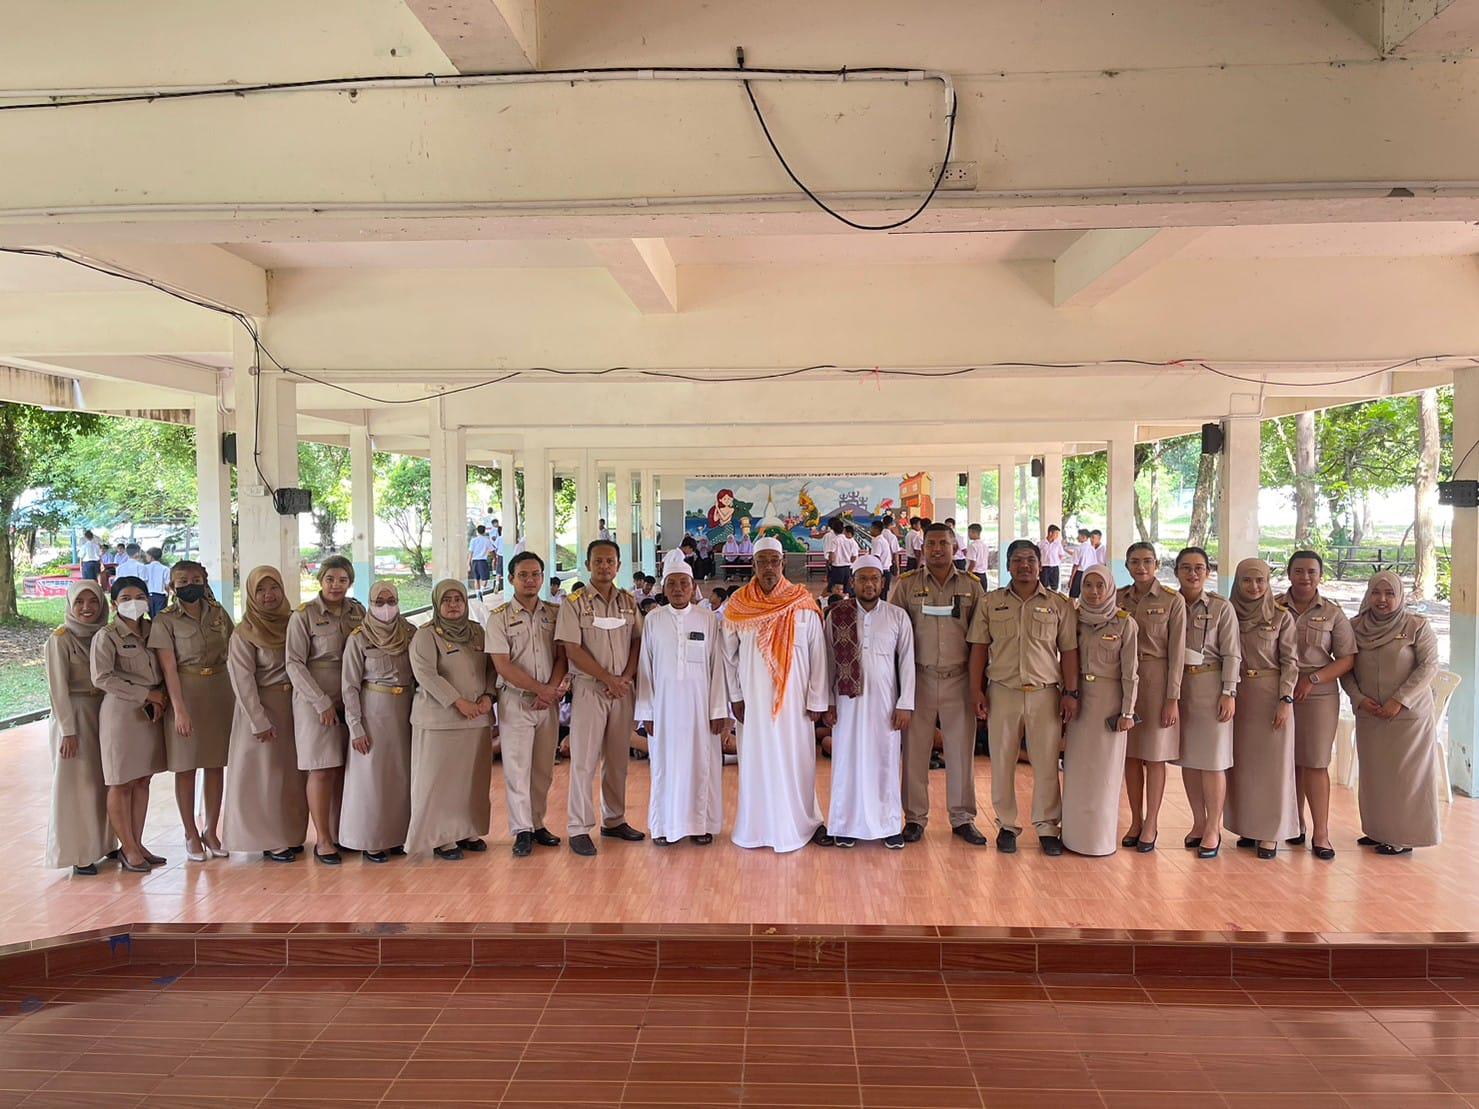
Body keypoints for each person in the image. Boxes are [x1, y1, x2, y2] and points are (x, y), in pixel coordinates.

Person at [968, 539, 1080, 855]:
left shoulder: (1059, 604)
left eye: (1030, 560)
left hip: (1045, 694)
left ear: (1040, 565)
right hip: (1003, 692)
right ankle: (1006, 825)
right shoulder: (991, 602)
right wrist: (975, 690)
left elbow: (1069, 651)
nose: (1024, 566)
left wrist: (1071, 692)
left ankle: (1047, 827)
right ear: (1008, 566)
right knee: (1002, 762)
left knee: (1046, 763)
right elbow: (979, 649)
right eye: (1017, 560)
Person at [722, 536, 831, 852]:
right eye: (762, 562)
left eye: (774, 561)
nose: (768, 568)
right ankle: (757, 828)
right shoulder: (738, 605)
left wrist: (817, 699)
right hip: (754, 703)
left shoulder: (802, 602)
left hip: (795, 705)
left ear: (783, 563)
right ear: (753, 565)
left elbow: (818, 655)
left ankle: (804, 823)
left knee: (797, 762)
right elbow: (728, 656)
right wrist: (735, 697)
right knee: (757, 763)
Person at [889, 523, 989, 845]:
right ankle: (915, 818)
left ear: (955, 547)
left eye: (943, 544)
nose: (936, 549)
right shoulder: (906, 585)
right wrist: (899, 688)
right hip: (918, 678)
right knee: (915, 752)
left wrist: (978, 686)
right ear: (922, 548)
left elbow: (981, 639)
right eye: (931, 544)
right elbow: (894, 636)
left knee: (960, 751)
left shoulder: (972, 586)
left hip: (959, 679)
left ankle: (962, 818)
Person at [1342, 571, 1442, 855]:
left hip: (1407, 718)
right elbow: (1345, 667)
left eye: (1389, 593)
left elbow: (1428, 667)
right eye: (1376, 592)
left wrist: (1400, 700)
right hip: (1370, 713)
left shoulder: (1416, 626)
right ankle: (1378, 830)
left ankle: (1402, 837)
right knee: (1375, 776)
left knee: (1405, 778)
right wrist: (1358, 698)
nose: (1382, 599)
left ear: (1400, 596)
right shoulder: (1355, 627)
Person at [555, 539, 645, 856]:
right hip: (590, 689)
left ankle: (614, 819)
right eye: (598, 561)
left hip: (622, 690)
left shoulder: (628, 602)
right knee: (584, 760)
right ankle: (579, 827)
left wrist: (626, 678)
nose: (604, 566)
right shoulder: (574, 603)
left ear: (618, 566)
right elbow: (571, 648)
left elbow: (637, 642)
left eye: (610, 561)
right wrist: (608, 678)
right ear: (588, 565)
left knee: (618, 759)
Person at [635, 549, 729, 845]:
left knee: (702, 766)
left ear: (693, 587)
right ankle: (665, 827)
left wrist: (718, 710)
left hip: (700, 709)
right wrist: (646, 712)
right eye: (672, 584)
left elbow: (717, 666)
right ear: (664, 588)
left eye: (684, 583)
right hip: (663, 709)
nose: (678, 589)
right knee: (665, 767)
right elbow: (645, 667)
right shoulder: (653, 620)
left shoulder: (708, 619)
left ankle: (701, 826)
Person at [824, 554, 915, 849]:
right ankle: (845, 825)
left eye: (874, 578)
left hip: (885, 704)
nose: (869, 584)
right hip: (846, 703)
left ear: (883, 582)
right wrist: (828, 701)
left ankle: (889, 825)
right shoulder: (837, 615)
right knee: (846, 761)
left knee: (885, 762)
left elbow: (907, 663)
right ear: (852, 582)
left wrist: (905, 703)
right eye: (862, 578)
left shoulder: (897, 616)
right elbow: (827, 661)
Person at [222, 566, 309, 862]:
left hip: (294, 707)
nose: (268, 595)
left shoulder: (294, 622)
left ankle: (291, 834)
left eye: (274, 588)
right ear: (250, 594)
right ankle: (268, 839)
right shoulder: (244, 632)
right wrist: (258, 720)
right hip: (261, 709)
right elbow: (242, 680)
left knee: (291, 775)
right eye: (260, 590)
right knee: (263, 777)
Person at [149, 561, 234, 862]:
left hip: (219, 691)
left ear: (205, 580)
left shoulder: (218, 613)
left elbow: (234, 648)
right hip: (185, 692)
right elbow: (169, 669)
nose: (190, 585)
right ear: (171, 586)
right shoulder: (165, 620)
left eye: (196, 579)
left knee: (215, 764)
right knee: (186, 766)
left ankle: (211, 830)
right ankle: (190, 833)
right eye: (182, 580)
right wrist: (179, 710)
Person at [406, 580, 495, 861]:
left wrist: (489, 696)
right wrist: (458, 702)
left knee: (471, 779)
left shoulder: (477, 632)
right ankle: (442, 838)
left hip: (476, 719)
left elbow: (491, 668)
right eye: (447, 600)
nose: (453, 605)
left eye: (458, 599)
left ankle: (467, 830)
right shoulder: (426, 635)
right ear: (437, 603)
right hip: (440, 720)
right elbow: (426, 674)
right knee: (439, 781)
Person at [285, 555, 366, 865]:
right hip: (315, 699)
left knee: (346, 767)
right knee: (322, 767)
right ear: (320, 580)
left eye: (342, 580)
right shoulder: (304, 615)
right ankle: (323, 839)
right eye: (330, 579)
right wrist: (321, 702)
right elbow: (294, 663)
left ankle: (342, 831)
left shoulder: (357, 611)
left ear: (350, 582)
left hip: (352, 696)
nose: (336, 585)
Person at [487, 551, 568, 857]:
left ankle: (537, 823)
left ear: (542, 577)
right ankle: (521, 830)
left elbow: (562, 657)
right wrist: (540, 690)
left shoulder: (554, 613)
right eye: (523, 575)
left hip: (547, 704)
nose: (530, 580)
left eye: (535, 574)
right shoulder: (499, 618)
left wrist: (550, 690)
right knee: (517, 768)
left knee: (543, 768)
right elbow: (502, 665)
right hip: (517, 701)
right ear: (511, 579)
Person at [1279, 551, 1356, 859]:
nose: (1305, 577)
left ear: (1320, 575)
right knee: (1287, 760)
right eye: (1299, 571)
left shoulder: (1333, 613)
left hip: (1318, 694)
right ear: (1289, 574)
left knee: (1315, 761)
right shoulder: (1273, 606)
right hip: (1280, 690)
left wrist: (1313, 679)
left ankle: (1321, 833)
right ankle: (1294, 824)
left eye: (1311, 571)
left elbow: (1347, 659)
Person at [89, 575, 168, 872]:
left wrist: (159, 698)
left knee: (143, 779)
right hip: (121, 715)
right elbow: (102, 678)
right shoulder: (107, 636)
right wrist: (145, 694)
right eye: (125, 599)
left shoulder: (155, 631)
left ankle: (137, 842)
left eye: (139, 597)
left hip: (151, 713)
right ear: (114, 605)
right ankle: (129, 848)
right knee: (121, 782)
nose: (133, 603)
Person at [1223, 558, 1299, 859]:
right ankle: (1248, 827)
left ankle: (1270, 833)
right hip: (1236, 695)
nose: (1254, 587)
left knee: (1273, 767)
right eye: (1247, 580)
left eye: (1260, 580)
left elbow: (1290, 662)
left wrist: (1285, 699)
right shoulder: (1228, 613)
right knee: (1242, 766)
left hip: (1269, 696)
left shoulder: (1281, 617)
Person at [1061, 565, 1139, 856]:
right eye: (1088, 585)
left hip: (1109, 703)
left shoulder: (1125, 623)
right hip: (1079, 700)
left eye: (1100, 586)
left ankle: (1099, 840)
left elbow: (1130, 673)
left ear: (1110, 588)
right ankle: (1073, 836)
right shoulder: (1073, 619)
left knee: (1105, 773)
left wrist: (1127, 712)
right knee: (1077, 770)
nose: (1094, 592)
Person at [1170, 547, 1240, 858]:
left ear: (1208, 572)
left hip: (1211, 686)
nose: (1193, 573)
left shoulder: (1221, 607)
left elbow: (1232, 653)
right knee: (1188, 759)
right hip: (1178, 686)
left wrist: (1229, 691)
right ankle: (1198, 822)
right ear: (1176, 572)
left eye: (1199, 568)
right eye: (1186, 567)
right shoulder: (1170, 604)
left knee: (1212, 760)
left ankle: (1213, 827)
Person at [339, 580, 416, 862]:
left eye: (391, 601)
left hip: (406, 711)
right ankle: (371, 841)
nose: (386, 607)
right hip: (373, 713)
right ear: (370, 604)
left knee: (401, 776)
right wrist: (356, 726)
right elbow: (349, 686)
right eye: (379, 602)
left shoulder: (410, 632)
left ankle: (397, 837)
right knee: (372, 779)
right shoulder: (359, 638)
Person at [1116, 543, 1186, 852]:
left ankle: (1152, 823)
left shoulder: (1172, 600)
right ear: (1127, 566)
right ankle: (1135, 819)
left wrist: (1172, 698)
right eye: (1135, 561)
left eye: (1147, 561)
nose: (1141, 567)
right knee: (1131, 755)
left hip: (1157, 681)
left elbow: (1177, 653)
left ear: (1157, 564)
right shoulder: (1118, 598)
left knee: (1155, 756)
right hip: (1124, 681)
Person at [45, 581, 117, 875]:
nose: (87, 608)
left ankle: (106, 843)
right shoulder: (60, 639)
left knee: (103, 781)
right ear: (70, 605)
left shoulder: (105, 634)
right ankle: (79, 853)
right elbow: (57, 689)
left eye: (93, 601)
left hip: (102, 712)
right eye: (79, 602)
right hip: (74, 715)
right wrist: (68, 730)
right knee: (76, 785)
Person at [823, 518, 858, 593]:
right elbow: (854, 557)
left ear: (833, 529)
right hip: (848, 568)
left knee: (835, 589)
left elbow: (832, 556)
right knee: (847, 589)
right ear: (843, 529)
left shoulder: (835, 540)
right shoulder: (851, 541)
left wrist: (829, 564)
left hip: (837, 568)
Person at [143, 548, 171, 618]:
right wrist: (167, 598)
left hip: (148, 596)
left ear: (151, 557)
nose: (146, 557)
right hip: (160, 597)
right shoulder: (165, 569)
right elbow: (167, 585)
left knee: (152, 618)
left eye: (147, 556)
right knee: (160, 619)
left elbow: (143, 583)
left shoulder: (144, 568)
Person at [469, 525, 495, 594]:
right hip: (482, 561)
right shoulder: (487, 540)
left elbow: (470, 552)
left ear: (477, 531)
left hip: (474, 561)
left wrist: (468, 563)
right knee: (485, 579)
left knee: (476, 579)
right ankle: (481, 590)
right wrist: (494, 558)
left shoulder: (473, 540)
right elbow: (492, 551)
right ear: (484, 531)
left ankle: (478, 594)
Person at [1066, 529, 1092, 598]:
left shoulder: (1079, 548)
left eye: (1079, 536)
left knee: (1073, 596)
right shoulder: (1092, 548)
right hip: (1089, 573)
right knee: (1085, 596)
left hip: (1079, 573)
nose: (1077, 537)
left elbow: (1076, 565)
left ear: (1083, 537)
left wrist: (1071, 579)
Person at [1038, 525, 1065, 591]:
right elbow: (1037, 555)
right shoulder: (1041, 543)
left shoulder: (1058, 544)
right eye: (1056, 533)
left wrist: (1057, 561)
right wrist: (1039, 565)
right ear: (1050, 533)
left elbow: (1061, 554)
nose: (1057, 536)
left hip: (1055, 567)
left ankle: (1053, 597)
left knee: (1054, 586)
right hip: (1044, 567)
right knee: (1044, 585)